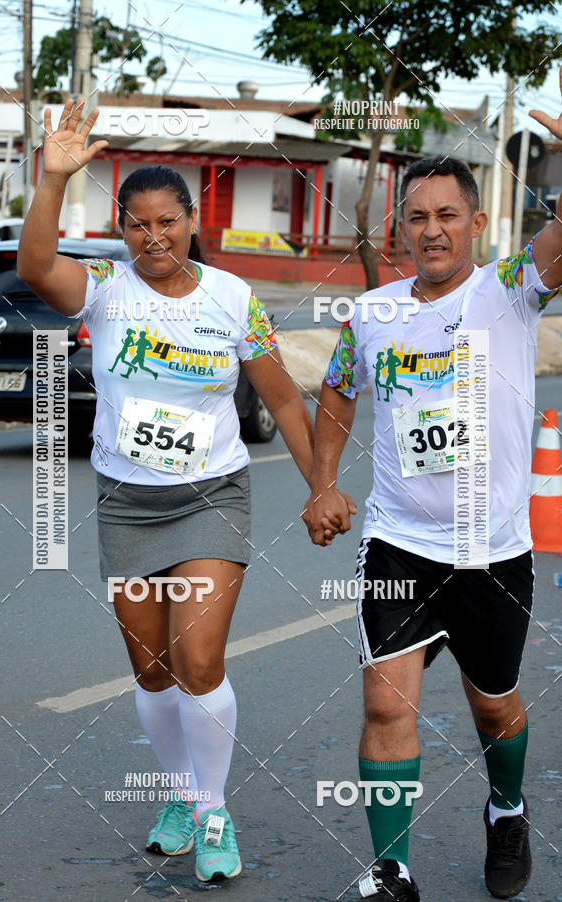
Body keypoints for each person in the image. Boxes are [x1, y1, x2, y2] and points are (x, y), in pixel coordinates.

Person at [18, 98, 350, 884]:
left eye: (167, 221)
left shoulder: (234, 299)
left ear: (192, 220)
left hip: (211, 498)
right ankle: (178, 793)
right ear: (122, 228)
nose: (153, 237)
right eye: (137, 223)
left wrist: (322, 488)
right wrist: (53, 179)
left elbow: (281, 399)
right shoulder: (104, 288)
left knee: (199, 660)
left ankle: (212, 809)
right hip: (128, 503)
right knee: (154, 669)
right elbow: (35, 270)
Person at [303, 74, 562, 902]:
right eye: (417, 216)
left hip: (495, 553)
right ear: (400, 226)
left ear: (478, 224)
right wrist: (320, 482)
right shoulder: (373, 315)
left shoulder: (511, 290)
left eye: (448, 214)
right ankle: (393, 872)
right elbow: (340, 390)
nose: (432, 230)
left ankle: (508, 808)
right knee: (386, 708)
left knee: (494, 707)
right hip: (399, 544)